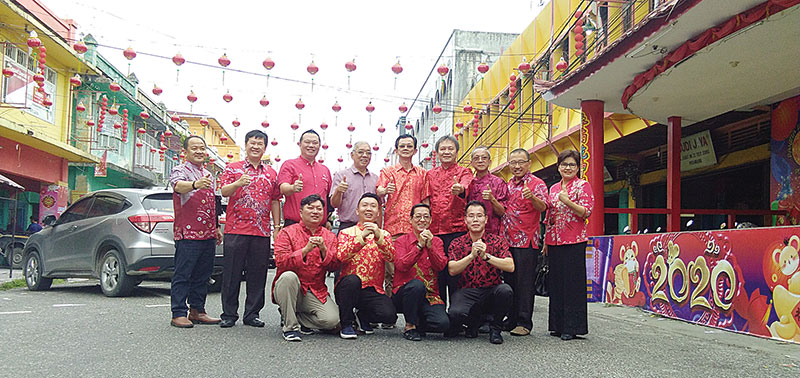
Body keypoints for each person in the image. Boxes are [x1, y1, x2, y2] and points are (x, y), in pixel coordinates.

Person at [218, 130, 282, 328]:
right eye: (252, 143)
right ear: (245, 145)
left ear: (265, 147)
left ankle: (252, 313)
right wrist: (238, 183)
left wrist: (277, 227)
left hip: (261, 231)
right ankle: (229, 314)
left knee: (258, 274)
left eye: (260, 143)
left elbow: (275, 200)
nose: (256, 146)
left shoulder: (271, 172)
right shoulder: (233, 168)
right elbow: (223, 191)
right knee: (231, 273)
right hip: (236, 229)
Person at [168, 135, 222, 328]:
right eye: (195, 148)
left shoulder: (209, 174)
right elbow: (177, 187)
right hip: (187, 233)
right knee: (183, 273)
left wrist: (216, 227)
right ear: (185, 151)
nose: (199, 151)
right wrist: (194, 185)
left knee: (203, 274)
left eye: (202, 148)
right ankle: (178, 312)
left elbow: (214, 203)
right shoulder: (179, 170)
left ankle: (198, 310)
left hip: (207, 233)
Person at [272, 194, 339, 342]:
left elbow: (334, 266)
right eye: (311, 208)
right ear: (301, 212)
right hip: (289, 287)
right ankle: (290, 327)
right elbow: (281, 262)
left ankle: (294, 315)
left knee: (332, 321)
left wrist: (323, 250)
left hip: (315, 290)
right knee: (288, 276)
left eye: (319, 209)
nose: (315, 211)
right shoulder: (287, 232)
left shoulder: (330, 237)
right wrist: (305, 250)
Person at [446, 201, 515, 344]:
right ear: (465, 220)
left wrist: (486, 256)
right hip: (467, 290)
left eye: (479, 216)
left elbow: (510, 266)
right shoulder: (457, 243)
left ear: (486, 219)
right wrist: (471, 256)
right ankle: (472, 323)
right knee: (455, 313)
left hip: (490, 290)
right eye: (471, 216)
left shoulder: (497, 241)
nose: (475, 220)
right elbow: (452, 270)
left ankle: (495, 328)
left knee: (505, 290)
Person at [544, 149, 595, 341]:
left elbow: (586, 212)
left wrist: (567, 201)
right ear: (558, 167)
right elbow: (549, 216)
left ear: (578, 167)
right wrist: (546, 241)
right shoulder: (554, 188)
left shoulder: (583, 186)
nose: (567, 168)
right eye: (564, 164)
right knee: (556, 283)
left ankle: (572, 327)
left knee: (572, 284)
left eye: (571, 164)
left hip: (574, 240)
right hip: (554, 240)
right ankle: (557, 325)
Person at [335, 193, 397, 339]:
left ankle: (362, 315)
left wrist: (377, 236)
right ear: (357, 210)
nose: (368, 209)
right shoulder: (346, 232)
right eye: (364, 205)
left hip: (372, 289)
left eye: (373, 206)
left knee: (389, 315)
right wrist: (362, 237)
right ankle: (347, 323)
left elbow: (391, 257)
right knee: (352, 281)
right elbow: (341, 256)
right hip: (349, 287)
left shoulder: (384, 234)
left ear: (378, 212)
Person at [501, 148, 548, 336]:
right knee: (510, 281)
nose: (517, 166)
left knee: (525, 283)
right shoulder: (508, 185)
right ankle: (511, 319)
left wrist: (532, 197)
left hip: (526, 241)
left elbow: (543, 206)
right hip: (507, 240)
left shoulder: (536, 183)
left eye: (521, 162)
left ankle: (524, 322)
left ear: (529, 163)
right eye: (513, 162)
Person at [376, 134, 428, 302]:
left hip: (416, 230)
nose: (406, 149)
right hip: (393, 229)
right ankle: (390, 310)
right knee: (392, 271)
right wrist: (384, 191)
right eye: (402, 146)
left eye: (409, 146)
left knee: (416, 271)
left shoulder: (422, 173)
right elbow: (379, 191)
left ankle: (414, 312)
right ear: (397, 150)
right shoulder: (387, 171)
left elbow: (426, 200)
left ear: (415, 150)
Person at [423, 135, 473, 304]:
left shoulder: (464, 172)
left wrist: (460, 188)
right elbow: (425, 200)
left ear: (457, 152)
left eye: (450, 148)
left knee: (457, 275)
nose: (446, 152)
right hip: (434, 232)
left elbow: (465, 186)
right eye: (442, 149)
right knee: (437, 274)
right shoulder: (429, 174)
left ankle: (457, 314)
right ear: (436, 153)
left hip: (457, 232)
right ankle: (439, 313)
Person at [392, 203, 450, 341]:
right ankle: (410, 326)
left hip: (430, 295)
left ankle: (420, 321)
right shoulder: (401, 241)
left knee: (443, 324)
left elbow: (441, 265)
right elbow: (401, 266)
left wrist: (430, 247)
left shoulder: (437, 241)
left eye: (426, 217)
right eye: (418, 216)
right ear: (411, 220)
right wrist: (419, 246)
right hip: (405, 293)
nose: (422, 220)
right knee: (416, 286)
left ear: (430, 220)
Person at [278, 129, 332, 227]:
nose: (311, 145)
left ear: (319, 146)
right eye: (307, 142)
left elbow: (328, 198)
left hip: (320, 226)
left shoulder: (325, 170)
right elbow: (283, 188)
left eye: (315, 143)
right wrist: (293, 188)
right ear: (300, 144)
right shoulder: (289, 165)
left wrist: (328, 220)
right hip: (295, 225)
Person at [330, 141, 379, 231]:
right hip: (348, 227)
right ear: (352, 155)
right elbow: (334, 204)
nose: (364, 155)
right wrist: (338, 191)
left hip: (371, 227)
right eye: (360, 152)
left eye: (368, 153)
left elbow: (379, 205)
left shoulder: (375, 178)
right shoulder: (341, 176)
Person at [466, 147, 508, 235]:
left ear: (489, 161)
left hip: (493, 233)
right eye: (476, 158)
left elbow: (502, 213)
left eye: (484, 158)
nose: (480, 161)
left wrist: (492, 199)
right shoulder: (467, 183)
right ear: (472, 163)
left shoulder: (499, 183)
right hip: (470, 233)